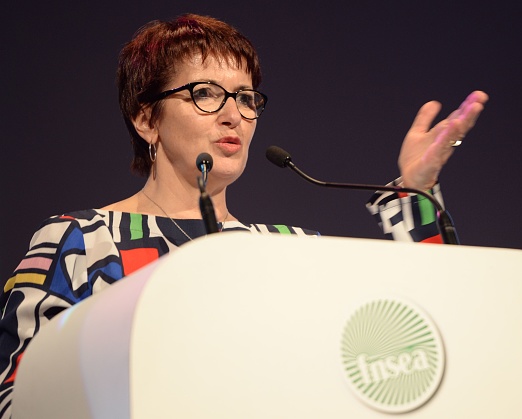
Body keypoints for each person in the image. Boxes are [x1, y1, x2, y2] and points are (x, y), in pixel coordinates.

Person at [0, 13, 487, 418]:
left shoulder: (290, 249)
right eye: (206, 94)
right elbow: (16, 394)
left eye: (246, 97)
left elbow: (424, 329)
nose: (233, 114)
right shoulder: (82, 239)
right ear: (146, 118)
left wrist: (416, 194)